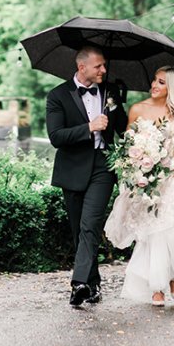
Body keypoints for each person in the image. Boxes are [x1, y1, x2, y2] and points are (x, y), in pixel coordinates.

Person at [104, 66, 174, 306]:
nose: (154, 85)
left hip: (171, 178)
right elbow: (129, 146)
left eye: (161, 82)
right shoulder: (138, 109)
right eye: (154, 80)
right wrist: (138, 166)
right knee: (154, 234)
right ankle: (157, 287)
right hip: (146, 181)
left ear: (173, 88)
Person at [46, 45, 128, 307]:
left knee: (89, 224)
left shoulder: (111, 92)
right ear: (82, 67)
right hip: (72, 170)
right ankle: (92, 285)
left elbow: (124, 127)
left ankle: (78, 282)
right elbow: (56, 137)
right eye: (98, 66)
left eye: (104, 65)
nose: (104, 70)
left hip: (103, 166)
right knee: (78, 230)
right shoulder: (57, 96)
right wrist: (88, 127)